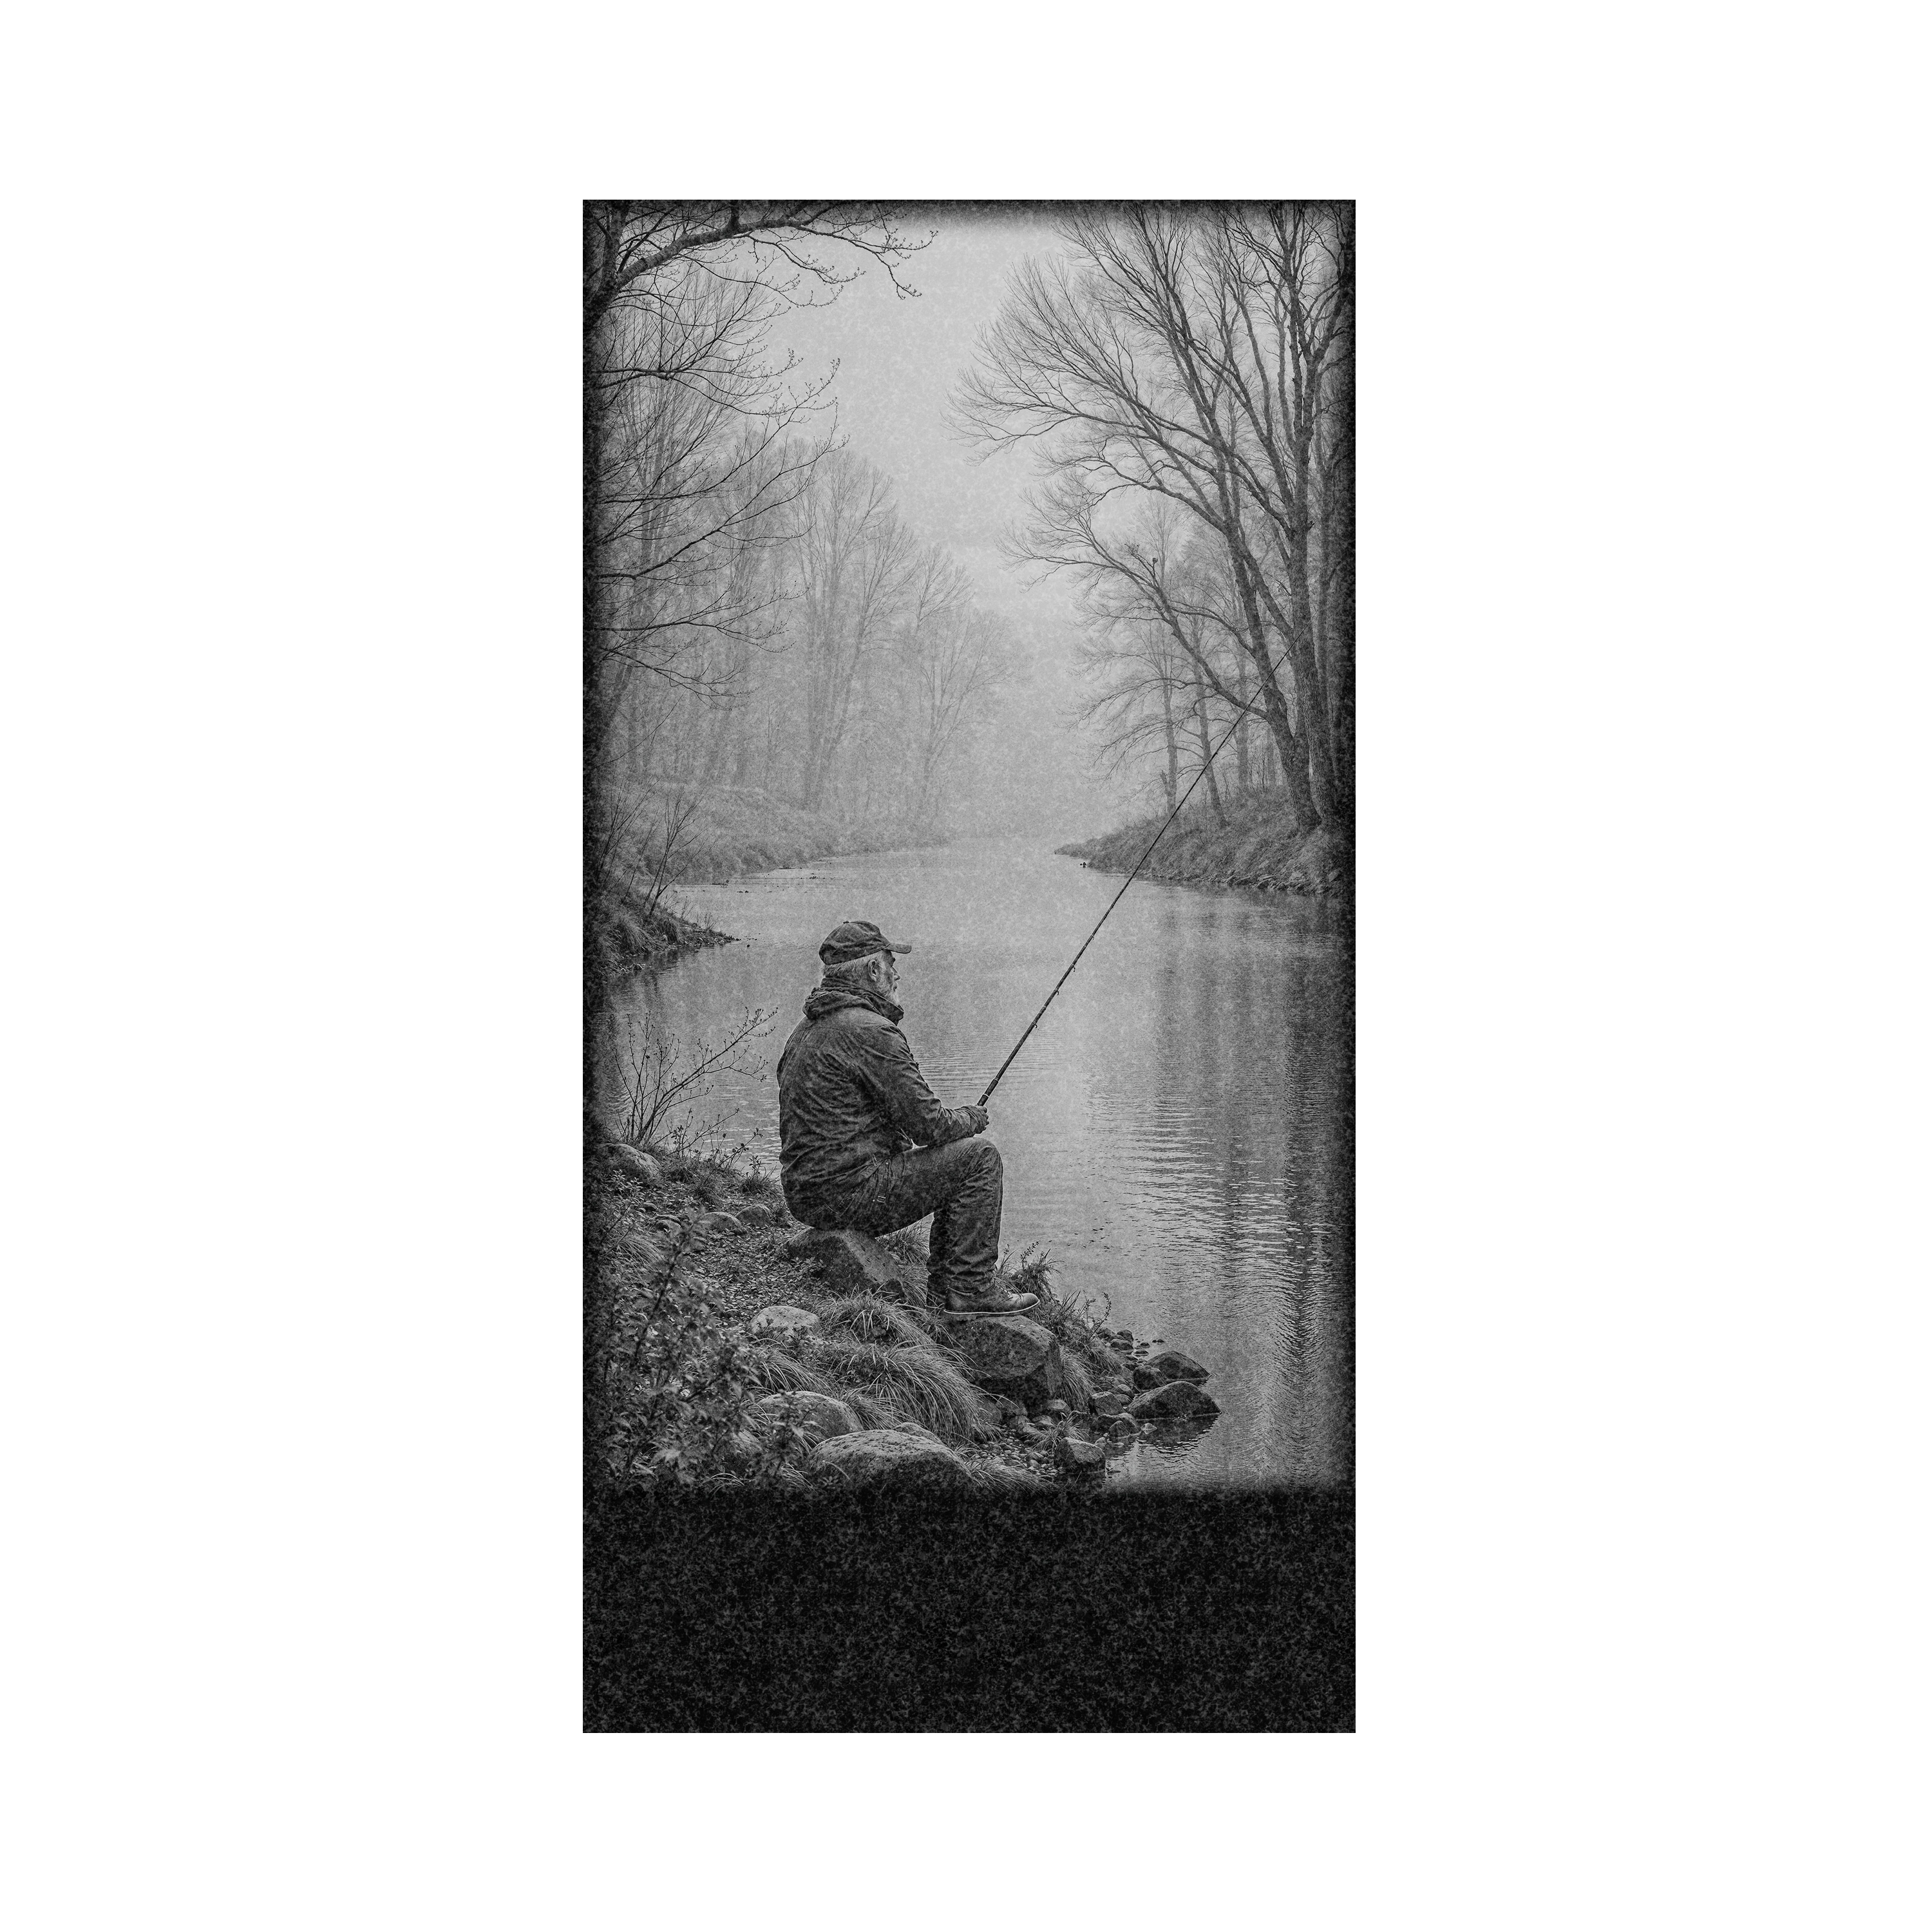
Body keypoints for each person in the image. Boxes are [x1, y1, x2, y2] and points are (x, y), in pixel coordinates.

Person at [776, 920, 1037, 1315]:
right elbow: (929, 1126)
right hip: (848, 1195)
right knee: (978, 1158)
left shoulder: (806, 1030)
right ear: (873, 970)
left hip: (805, 1195)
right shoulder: (870, 1031)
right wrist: (971, 1118)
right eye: (891, 964)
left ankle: (949, 1292)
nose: (896, 974)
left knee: (956, 1160)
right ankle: (968, 1289)